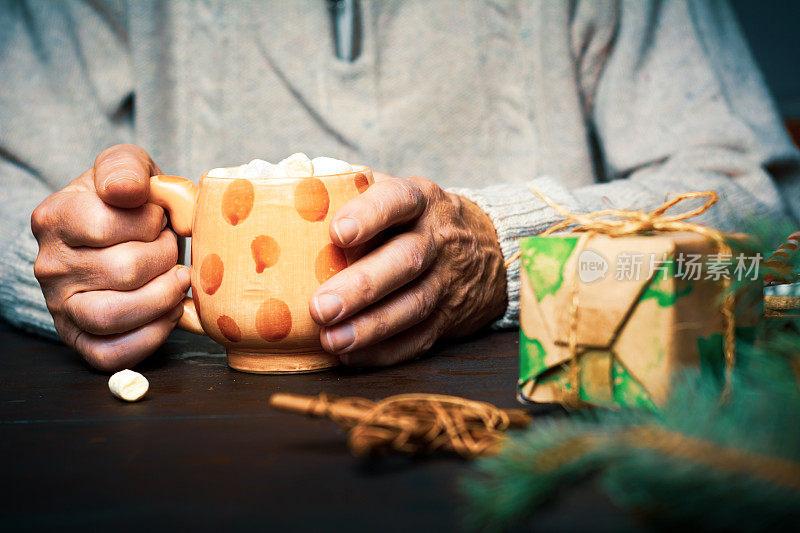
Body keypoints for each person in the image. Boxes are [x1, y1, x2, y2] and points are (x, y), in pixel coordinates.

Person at [2, 0, 798, 371]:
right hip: (195, 470)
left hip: (533, 438)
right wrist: (65, 270)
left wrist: (505, 252)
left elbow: (760, 207)